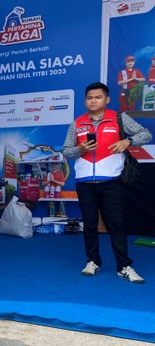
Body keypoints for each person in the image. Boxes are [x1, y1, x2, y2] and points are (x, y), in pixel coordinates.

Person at [62, 82, 152, 284]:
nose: (93, 101)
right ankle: (93, 261)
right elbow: (66, 150)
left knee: (117, 225)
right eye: (89, 98)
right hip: (85, 183)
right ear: (85, 101)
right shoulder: (77, 123)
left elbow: (145, 133)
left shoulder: (118, 118)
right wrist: (80, 149)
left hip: (112, 182)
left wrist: (127, 141)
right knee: (90, 225)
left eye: (97, 97)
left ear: (106, 99)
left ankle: (124, 266)